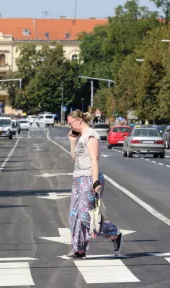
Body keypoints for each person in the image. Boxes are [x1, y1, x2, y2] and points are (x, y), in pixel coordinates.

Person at [67, 110, 122, 259]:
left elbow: (94, 160)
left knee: (86, 216)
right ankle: (79, 249)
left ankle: (114, 233)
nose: (70, 126)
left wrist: (95, 181)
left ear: (78, 121)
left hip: (89, 178)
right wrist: (72, 142)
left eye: (70, 123)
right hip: (78, 178)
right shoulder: (81, 137)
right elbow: (75, 159)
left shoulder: (91, 136)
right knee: (74, 216)